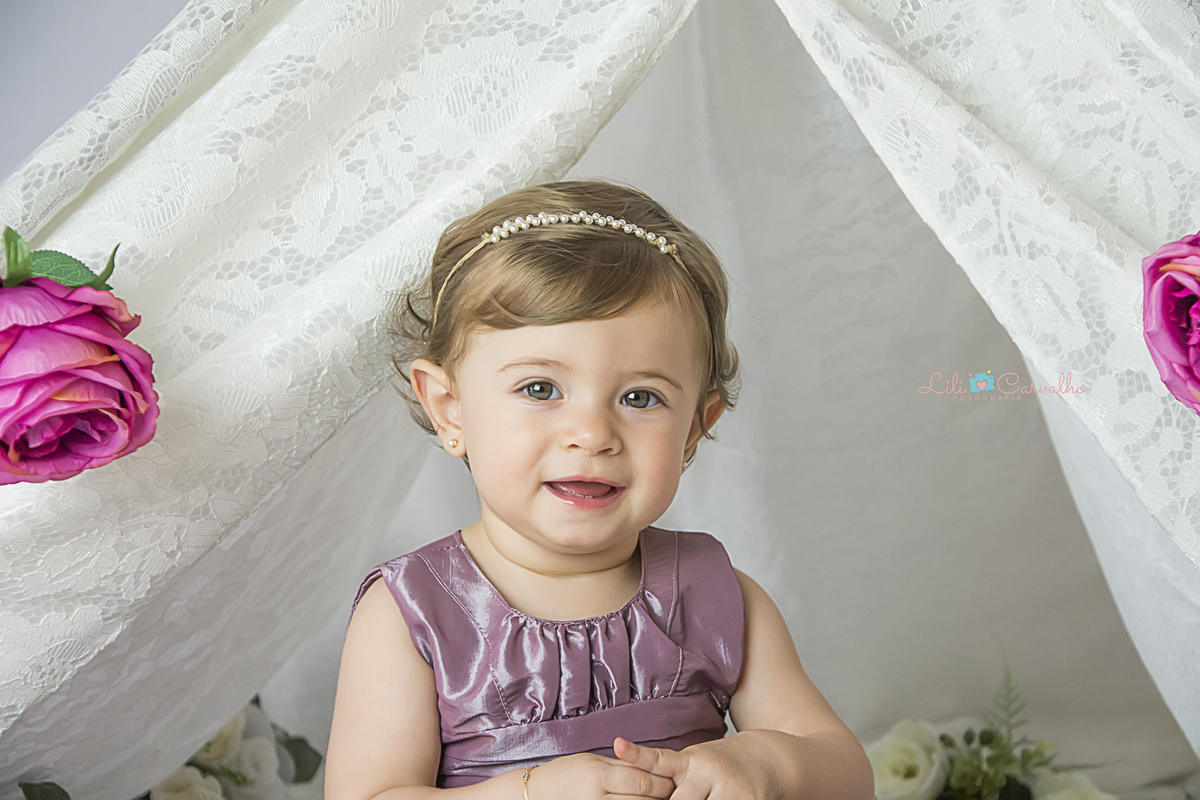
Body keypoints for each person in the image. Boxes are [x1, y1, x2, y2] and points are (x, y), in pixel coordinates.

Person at [324, 181, 873, 800]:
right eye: (540, 389)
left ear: (695, 428)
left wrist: (767, 763)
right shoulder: (414, 613)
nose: (591, 434)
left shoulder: (718, 597)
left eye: (641, 398)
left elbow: (847, 773)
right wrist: (528, 792)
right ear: (451, 410)